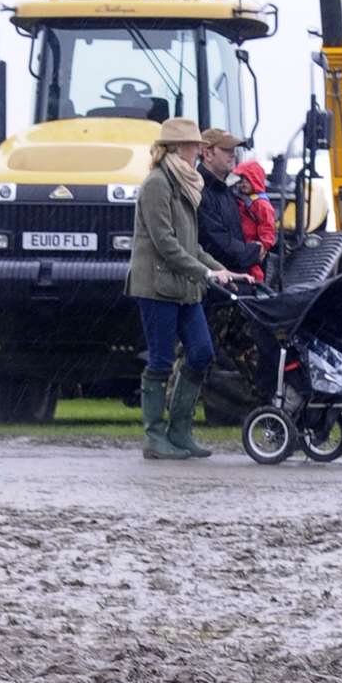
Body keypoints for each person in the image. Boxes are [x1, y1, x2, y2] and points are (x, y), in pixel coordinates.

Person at [124, 117, 249, 460]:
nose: (199, 152)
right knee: (162, 361)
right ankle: (154, 437)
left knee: (201, 352)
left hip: (184, 286)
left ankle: (180, 431)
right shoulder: (157, 185)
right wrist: (206, 274)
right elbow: (165, 244)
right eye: (194, 146)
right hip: (156, 287)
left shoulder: (187, 184)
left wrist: (225, 271)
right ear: (177, 148)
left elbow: (191, 245)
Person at [195, 128, 262, 274]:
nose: (233, 154)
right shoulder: (199, 191)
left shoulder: (224, 189)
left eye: (233, 149)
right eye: (226, 149)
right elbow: (216, 243)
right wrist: (255, 251)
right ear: (207, 154)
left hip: (232, 277)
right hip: (217, 286)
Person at [231, 159, 276, 284]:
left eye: (247, 180)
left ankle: (257, 287)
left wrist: (263, 246)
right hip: (243, 242)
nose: (243, 183)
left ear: (255, 179)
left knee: (254, 270)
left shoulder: (261, 204)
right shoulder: (242, 199)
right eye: (241, 179)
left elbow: (268, 227)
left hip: (254, 245)